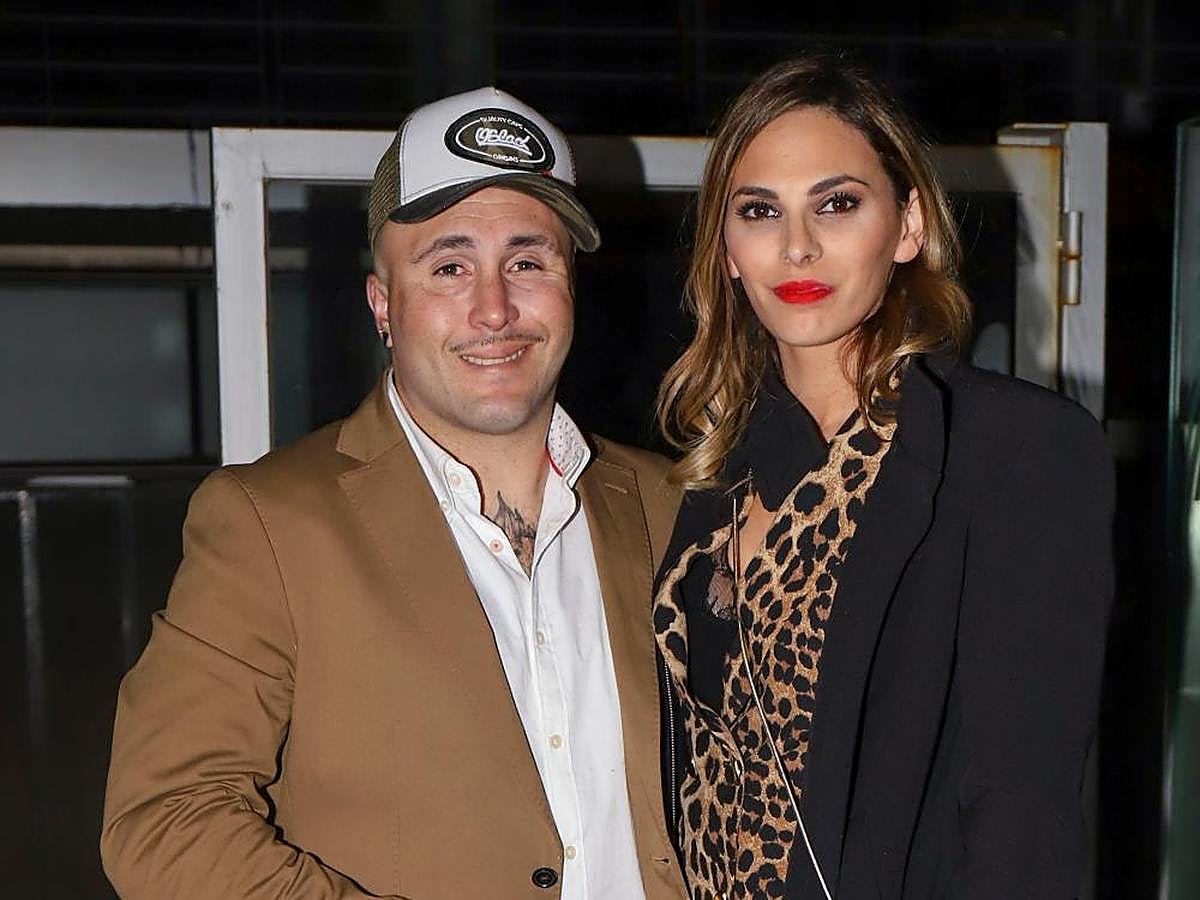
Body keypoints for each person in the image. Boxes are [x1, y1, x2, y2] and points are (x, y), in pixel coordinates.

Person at [101, 86, 687, 900]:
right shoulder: (269, 522)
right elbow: (164, 821)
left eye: (527, 262)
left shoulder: (670, 504)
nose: (494, 308)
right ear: (383, 304)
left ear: (571, 286)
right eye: (449, 267)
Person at [653, 55, 1114, 900]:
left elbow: (1023, 819)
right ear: (727, 251)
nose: (797, 244)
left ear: (907, 226)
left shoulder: (1014, 452)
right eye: (760, 211)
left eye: (837, 203)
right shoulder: (711, 478)